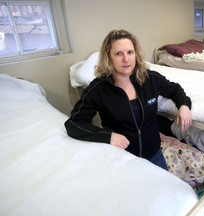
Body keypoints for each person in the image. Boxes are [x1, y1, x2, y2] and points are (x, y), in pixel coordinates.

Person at [65, 29, 192, 170]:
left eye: (130, 52)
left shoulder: (150, 78)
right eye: (118, 54)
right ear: (108, 57)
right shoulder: (99, 89)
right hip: (123, 158)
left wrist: (184, 105)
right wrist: (108, 136)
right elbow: (74, 124)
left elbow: (175, 89)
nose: (126, 59)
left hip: (154, 153)